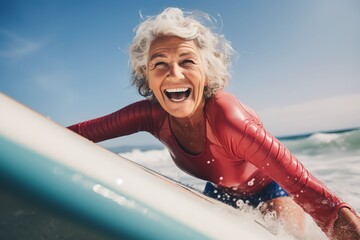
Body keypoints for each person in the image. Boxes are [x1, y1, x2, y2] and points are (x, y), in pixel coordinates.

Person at [68, 7, 360, 239]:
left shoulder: (228, 120)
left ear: (206, 72)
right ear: (147, 77)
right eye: (159, 63)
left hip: (272, 192)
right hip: (219, 193)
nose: (174, 73)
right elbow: (76, 135)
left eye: (187, 61)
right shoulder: (149, 115)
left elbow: (308, 191)